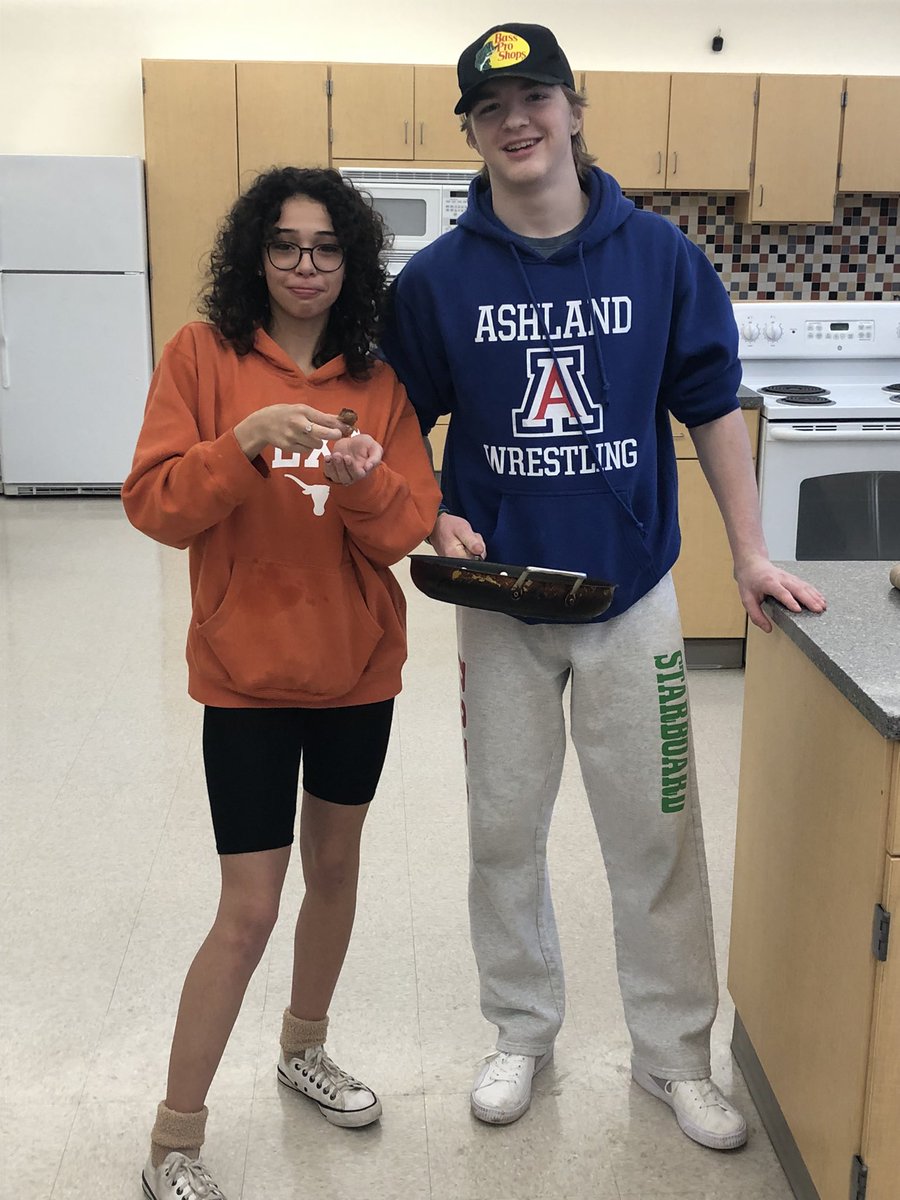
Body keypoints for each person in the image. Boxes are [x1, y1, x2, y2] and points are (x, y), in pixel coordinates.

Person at [380, 23, 826, 1151]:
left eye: (535, 98)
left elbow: (712, 408)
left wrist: (751, 554)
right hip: (504, 611)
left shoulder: (661, 257)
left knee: (658, 831)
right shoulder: (437, 281)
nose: (515, 121)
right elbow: (397, 424)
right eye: (491, 109)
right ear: (473, 134)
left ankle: (675, 1057)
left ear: (577, 110)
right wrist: (431, 509)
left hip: (633, 604)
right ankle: (521, 1032)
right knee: (501, 830)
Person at [123, 166, 441, 1200]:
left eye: (327, 248)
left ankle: (304, 1047)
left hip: (356, 674)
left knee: (336, 872)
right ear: (255, 256)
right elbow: (155, 506)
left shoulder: (378, 382)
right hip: (245, 679)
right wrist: (243, 443)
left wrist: (363, 483)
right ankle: (175, 1140)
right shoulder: (202, 357)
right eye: (285, 245)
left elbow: (404, 531)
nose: (306, 265)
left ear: (351, 261)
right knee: (249, 909)